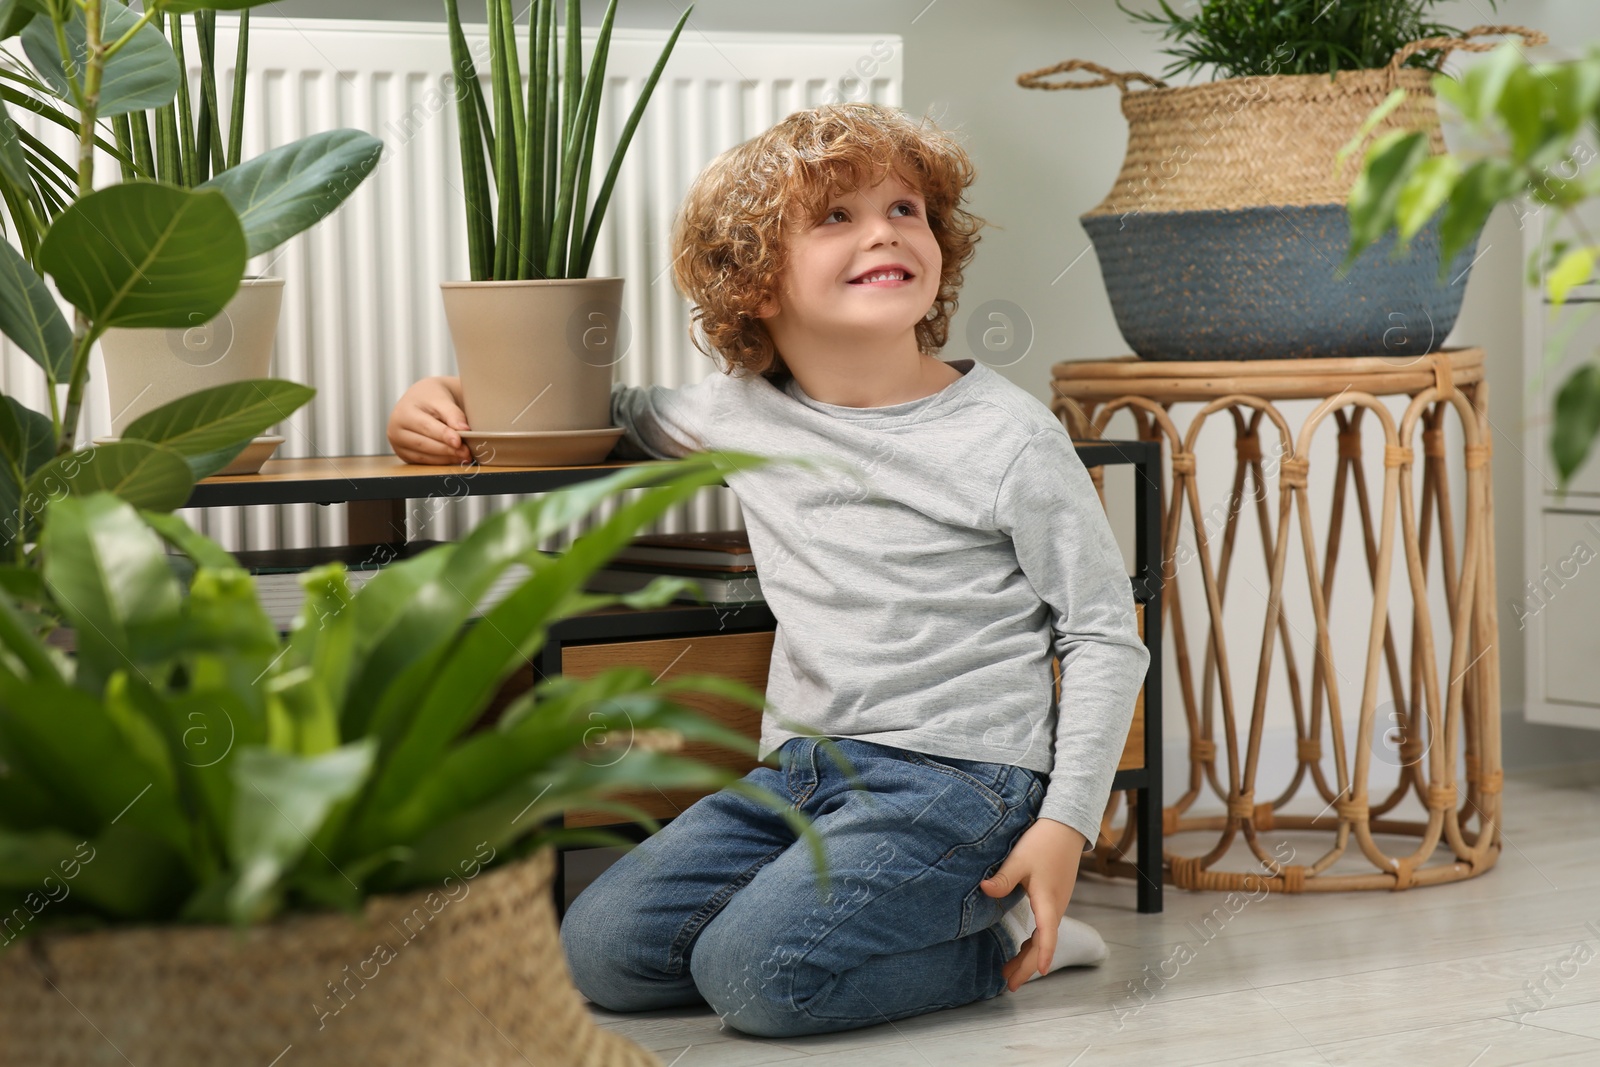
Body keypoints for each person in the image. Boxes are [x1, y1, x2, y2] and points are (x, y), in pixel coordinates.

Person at [386, 102, 1149, 1039]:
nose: (885, 231)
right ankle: (875, 920)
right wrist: (439, 397)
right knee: (601, 954)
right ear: (755, 283)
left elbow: (1105, 631)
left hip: (964, 780)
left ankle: (1007, 938)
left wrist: (1065, 824)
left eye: (906, 209)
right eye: (837, 217)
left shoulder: (1011, 438)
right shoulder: (740, 411)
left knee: (755, 981)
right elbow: (588, 405)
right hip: (801, 769)